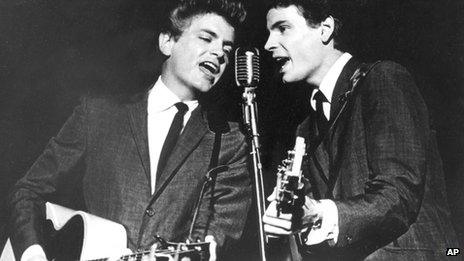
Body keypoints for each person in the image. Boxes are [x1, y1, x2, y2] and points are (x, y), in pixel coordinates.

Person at [8, 0, 251, 260]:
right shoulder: (99, 113)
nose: (219, 53)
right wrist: (32, 251)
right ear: (167, 42)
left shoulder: (229, 142)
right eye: (206, 38)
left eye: (227, 48)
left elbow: (215, 237)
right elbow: (27, 191)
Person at [262, 0, 458, 260]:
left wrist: (319, 213)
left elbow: (398, 194)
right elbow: (316, 218)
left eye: (282, 28)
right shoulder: (305, 129)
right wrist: (296, 218)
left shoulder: (383, 79)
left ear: (325, 29)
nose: (268, 44)